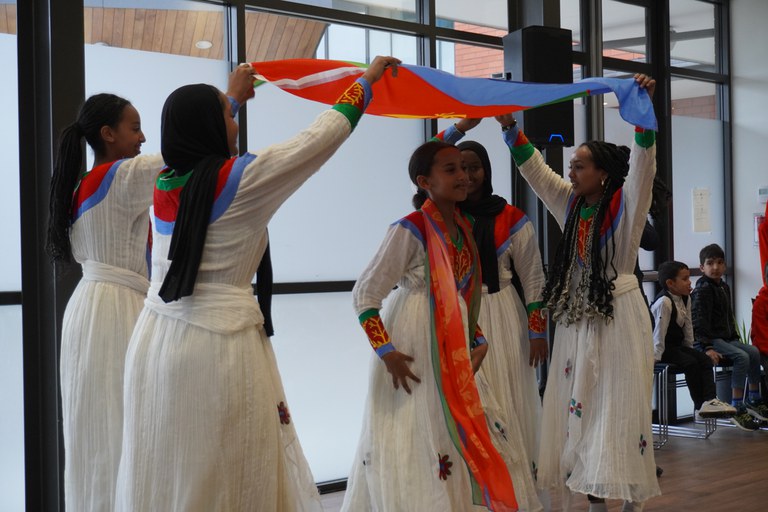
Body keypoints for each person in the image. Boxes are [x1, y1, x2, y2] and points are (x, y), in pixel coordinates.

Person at [114, 56, 400, 512]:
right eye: (228, 116)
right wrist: (366, 81)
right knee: (231, 467)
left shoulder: (165, 182)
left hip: (155, 343)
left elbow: (198, 137)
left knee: (174, 467)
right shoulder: (241, 180)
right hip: (217, 345)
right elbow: (318, 139)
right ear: (211, 126)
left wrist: (231, 97)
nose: (234, 123)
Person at [47, 68, 256, 512]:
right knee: (125, 425)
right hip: (116, 310)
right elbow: (186, 152)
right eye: (135, 128)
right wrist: (231, 102)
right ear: (108, 135)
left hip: (89, 309)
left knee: (97, 431)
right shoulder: (119, 178)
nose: (142, 138)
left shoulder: (80, 186)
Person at [342, 140, 542, 511]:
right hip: (414, 342)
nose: (463, 176)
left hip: (454, 346)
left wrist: (477, 338)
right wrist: (387, 353)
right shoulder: (410, 229)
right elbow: (364, 296)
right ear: (424, 181)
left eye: (464, 169)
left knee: (463, 433)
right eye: (451, 170)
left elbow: (461, 295)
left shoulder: (462, 227)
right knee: (418, 433)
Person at [500, 74, 661, 512]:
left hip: (619, 317)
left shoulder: (626, 205)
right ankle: (593, 503)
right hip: (577, 320)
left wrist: (643, 109)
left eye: (580, 165)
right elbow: (535, 170)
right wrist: (510, 128)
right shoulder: (568, 204)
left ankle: (628, 495)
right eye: (570, 166)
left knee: (619, 406)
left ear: (603, 174)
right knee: (582, 406)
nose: (570, 172)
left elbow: (644, 163)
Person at [434, 121, 549, 497]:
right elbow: (426, 158)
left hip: (501, 318)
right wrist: (457, 128)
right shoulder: (438, 214)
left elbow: (533, 280)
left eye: (473, 167)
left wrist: (537, 333)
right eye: (457, 167)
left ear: (487, 170)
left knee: (506, 404)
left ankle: (510, 492)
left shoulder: (512, 218)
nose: (466, 175)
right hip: (455, 316)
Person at [691, 243, 768, 431]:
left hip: (726, 339)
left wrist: (734, 337)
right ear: (702, 267)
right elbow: (698, 322)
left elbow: (728, 316)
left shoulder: (724, 287)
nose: (715, 267)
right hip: (711, 340)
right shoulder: (702, 290)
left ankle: (754, 398)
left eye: (719, 263)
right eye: (710, 263)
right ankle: (736, 404)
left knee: (753, 352)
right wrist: (706, 347)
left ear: (725, 266)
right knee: (741, 357)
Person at [651, 261, 736, 419]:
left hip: (677, 346)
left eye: (689, 278)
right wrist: (656, 357)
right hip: (663, 348)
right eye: (684, 279)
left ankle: (710, 401)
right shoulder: (665, 302)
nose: (689, 282)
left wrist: (690, 348)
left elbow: (688, 326)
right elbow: (658, 333)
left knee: (704, 359)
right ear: (670, 283)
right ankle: (699, 406)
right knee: (690, 363)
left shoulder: (686, 298)